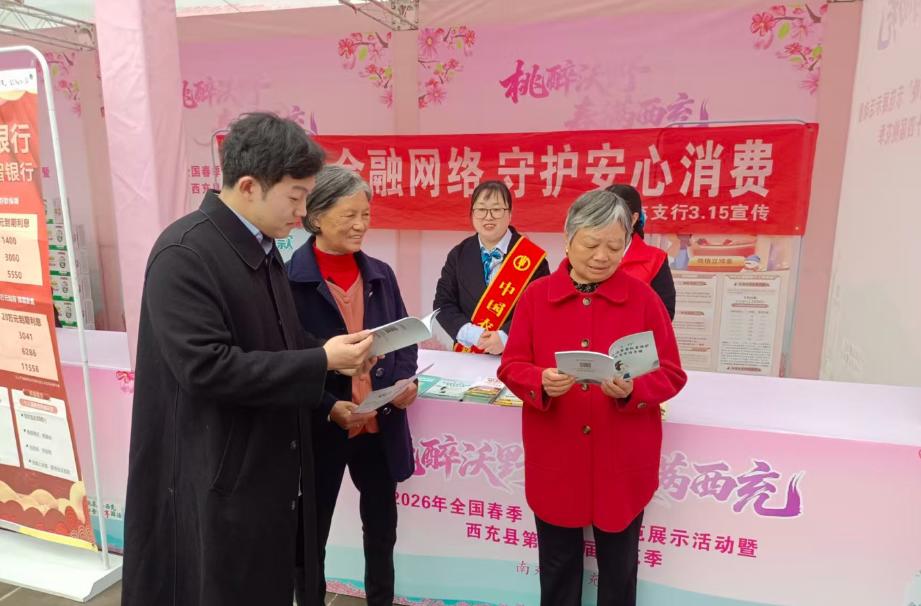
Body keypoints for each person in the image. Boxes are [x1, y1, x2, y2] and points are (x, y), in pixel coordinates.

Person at [121, 113, 375, 606]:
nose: (301, 213)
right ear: (248, 186)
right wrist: (318, 361)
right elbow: (207, 367)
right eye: (295, 197)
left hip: (263, 469)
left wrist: (337, 356)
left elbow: (279, 338)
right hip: (215, 472)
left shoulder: (261, 246)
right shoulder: (184, 253)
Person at [497, 190, 687, 606]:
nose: (602, 256)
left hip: (622, 461)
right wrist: (540, 381)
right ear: (567, 240)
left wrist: (634, 390)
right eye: (591, 244)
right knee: (558, 568)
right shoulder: (535, 298)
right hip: (556, 457)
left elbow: (672, 373)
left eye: (615, 247)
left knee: (619, 572)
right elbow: (511, 366)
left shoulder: (644, 300)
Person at [287, 166, 418, 606]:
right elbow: (286, 359)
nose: (361, 224)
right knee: (310, 535)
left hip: (378, 423)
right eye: (349, 215)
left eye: (366, 214)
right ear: (316, 217)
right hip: (321, 427)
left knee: (381, 531)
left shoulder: (380, 274)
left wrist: (404, 381)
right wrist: (328, 404)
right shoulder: (289, 281)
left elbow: (405, 339)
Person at [432, 180, 550, 354]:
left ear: (509, 214)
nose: (488, 217)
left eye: (496, 209)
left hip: (517, 353)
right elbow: (443, 304)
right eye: (481, 209)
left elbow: (541, 308)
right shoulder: (458, 254)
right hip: (470, 353)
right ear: (472, 214)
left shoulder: (531, 257)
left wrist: (505, 336)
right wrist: (472, 334)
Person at [606, 183, 676, 319]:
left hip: (633, 332)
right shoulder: (589, 255)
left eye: (615, 215)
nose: (607, 221)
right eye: (602, 215)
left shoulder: (655, 259)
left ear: (633, 218)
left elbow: (665, 313)